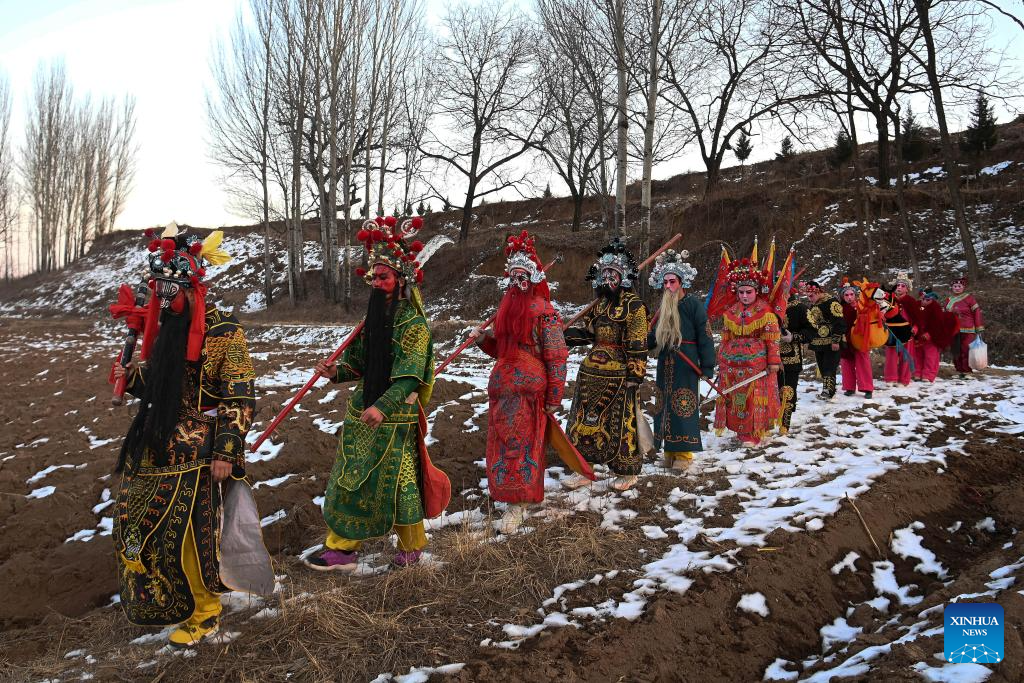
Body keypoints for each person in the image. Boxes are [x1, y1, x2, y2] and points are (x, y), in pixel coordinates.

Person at [110, 225, 264, 648]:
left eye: (170, 293)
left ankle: (205, 612)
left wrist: (227, 452)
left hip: (202, 447)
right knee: (150, 525)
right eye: (158, 293)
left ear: (193, 288)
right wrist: (135, 378)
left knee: (191, 533)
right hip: (161, 441)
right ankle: (170, 599)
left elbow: (240, 393)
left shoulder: (224, 332)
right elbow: (164, 381)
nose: (163, 302)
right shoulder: (170, 326)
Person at [305, 216, 448, 571]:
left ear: (401, 281)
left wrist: (383, 408)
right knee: (351, 478)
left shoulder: (413, 326)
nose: (377, 282)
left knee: (399, 483)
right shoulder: (372, 322)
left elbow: (410, 378)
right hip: (362, 414)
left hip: (393, 417)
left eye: (384, 276)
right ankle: (343, 550)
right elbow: (357, 364)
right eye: (374, 277)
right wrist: (333, 372)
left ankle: (406, 548)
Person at [470, 232, 591, 533]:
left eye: (522, 276)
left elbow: (557, 357)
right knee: (503, 446)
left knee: (523, 447)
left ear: (533, 278)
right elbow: (501, 350)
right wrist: (483, 338)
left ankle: (519, 503)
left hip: (529, 393)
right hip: (502, 391)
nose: (516, 282)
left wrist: (554, 396)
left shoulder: (546, 314)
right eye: (512, 277)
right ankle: (507, 496)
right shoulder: (505, 313)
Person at [564, 238, 650, 491]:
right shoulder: (599, 305)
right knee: (583, 421)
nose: (607, 279)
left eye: (612, 274)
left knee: (621, 423)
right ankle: (583, 468)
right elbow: (589, 334)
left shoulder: (634, 307)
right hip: (591, 372)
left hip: (619, 374)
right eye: (604, 274)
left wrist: (635, 374)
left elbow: (637, 341)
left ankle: (625, 471)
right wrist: (561, 336)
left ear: (623, 277)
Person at [646, 249, 715, 466]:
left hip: (686, 363)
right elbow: (653, 336)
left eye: (672, 281)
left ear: (681, 282)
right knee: (663, 406)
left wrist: (707, 366)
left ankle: (684, 454)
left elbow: (705, 336)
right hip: (665, 363)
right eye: (665, 282)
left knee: (682, 405)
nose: (668, 286)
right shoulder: (663, 308)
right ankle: (669, 452)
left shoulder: (693, 305)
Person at [713, 258, 781, 447]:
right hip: (732, 366)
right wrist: (721, 360)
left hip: (757, 367)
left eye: (748, 292)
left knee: (754, 399)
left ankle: (754, 432)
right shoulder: (731, 312)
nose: (744, 296)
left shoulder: (766, 312)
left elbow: (772, 339)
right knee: (736, 398)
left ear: (756, 292)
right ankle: (741, 430)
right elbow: (725, 338)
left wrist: (773, 361)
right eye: (741, 292)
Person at [776, 278, 814, 434]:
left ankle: (785, 425)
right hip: (765, 357)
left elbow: (812, 331)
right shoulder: (766, 307)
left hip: (790, 356)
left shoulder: (800, 308)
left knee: (787, 390)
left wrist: (794, 337)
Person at [805, 280, 847, 400]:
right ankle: (828, 389)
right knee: (823, 367)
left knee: (829, 366)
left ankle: (829, 391)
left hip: (831, 341)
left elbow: (840, 322)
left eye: (811, 296)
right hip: (818, 342)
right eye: (808, 296)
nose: (809, 298)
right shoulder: (814, 304)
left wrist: (835, 340)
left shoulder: (831, 302)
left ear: (818, 292)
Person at [912, 288, 960, 383]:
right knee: (918, 356)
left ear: (932, 300)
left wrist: (930, 333)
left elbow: (937, 324)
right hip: (919, 337)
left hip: (932, 338)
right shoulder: (919, 308)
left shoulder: (936, 309)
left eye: (927, 300)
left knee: (931, 357)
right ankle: (917, 373)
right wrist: (915, 329)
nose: (924, 301)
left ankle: (928, 374)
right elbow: (916, 320)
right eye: (923, 299)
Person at [944, 275, 984, 378]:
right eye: (955, 286)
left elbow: (977, 312)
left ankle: (967, 371)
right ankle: (959, 370)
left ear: (963, 287)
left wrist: (978, 326)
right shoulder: (949, 300)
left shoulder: (969, 299)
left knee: (966, 349)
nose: (957, 288)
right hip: (954, 329)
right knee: (956, 350)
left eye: (959, 286)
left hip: (968, 329)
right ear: (952, 287)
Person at [839, 280, 874, 399]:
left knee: (863, 363)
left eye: (851, 294)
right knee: (846, 363)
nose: (849, 297)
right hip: (845, 338)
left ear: (855, 295)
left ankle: (867, 388)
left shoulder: (862, 305)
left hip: (860, 337)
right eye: (846, 295)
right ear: (843, 297)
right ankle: (849, 387)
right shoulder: (839, 308)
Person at [882, 271, 917, 387]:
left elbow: (918, 317)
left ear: (907, 289)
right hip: (892, 331)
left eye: (903, 286)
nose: (900, 288)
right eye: (898, 285)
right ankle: (891, 378)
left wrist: (915, 327)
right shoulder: (890, 300)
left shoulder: (912, 301)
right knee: (891, 355)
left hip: (907, 331)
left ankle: (904, 379)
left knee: (906, 355)